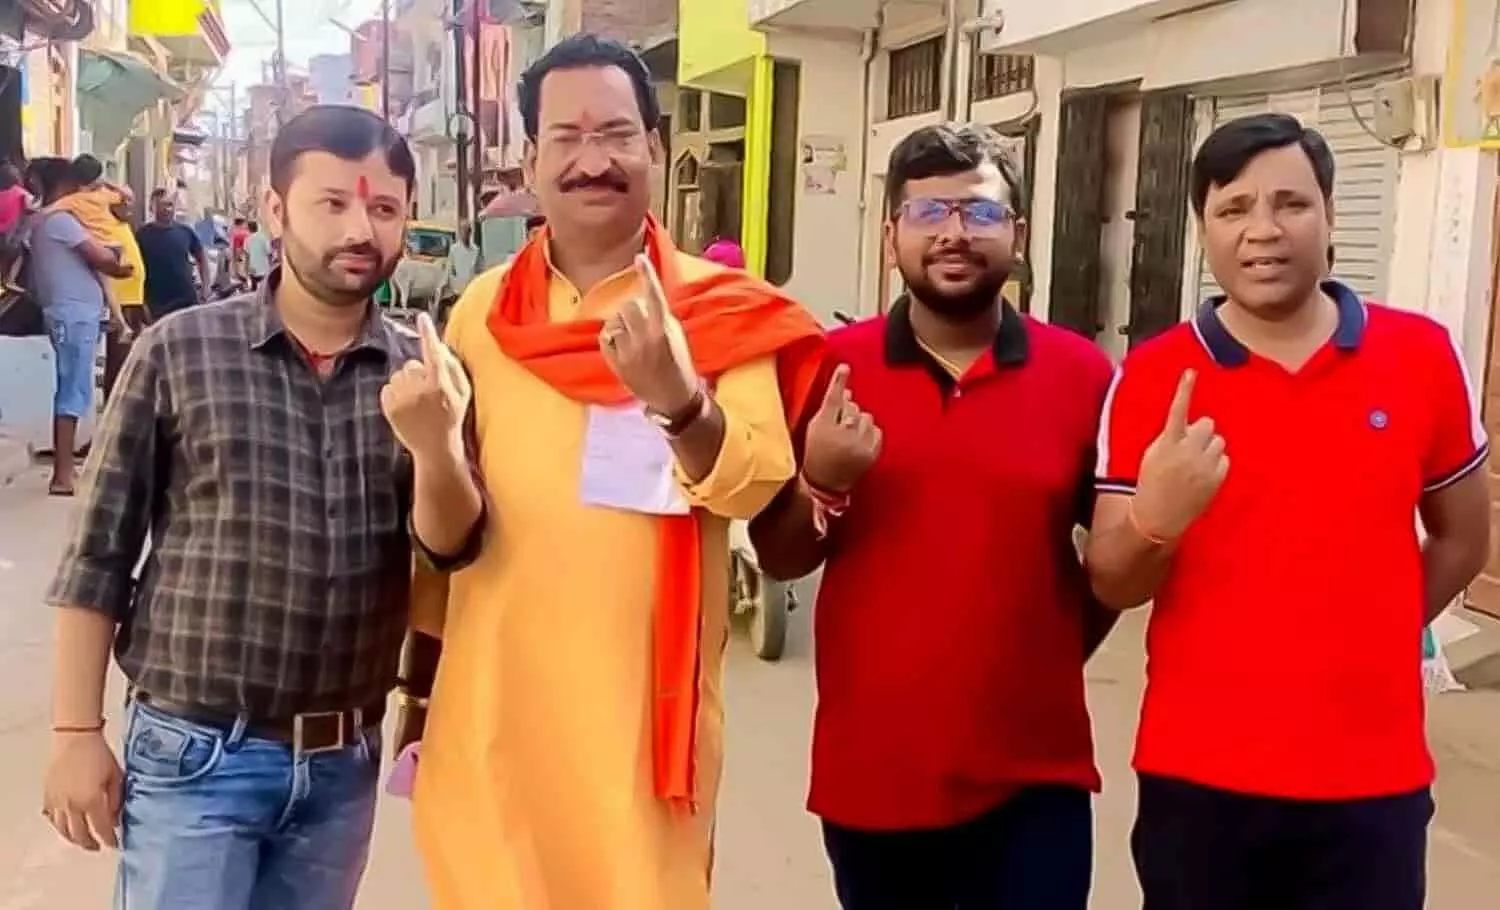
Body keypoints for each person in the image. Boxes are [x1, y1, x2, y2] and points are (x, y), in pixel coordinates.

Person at [402, 33, 827, 909]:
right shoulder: (483, 311)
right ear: (531, 159)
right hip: (493, 712)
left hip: (641, 727)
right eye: (566, 137)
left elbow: (756, 485)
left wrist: (680, 400)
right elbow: (447, 527)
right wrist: (416, 687)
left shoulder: (715, 313)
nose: (591, 160)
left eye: (616, 134)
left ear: (655, 148)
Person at [40, 105, 481, 910]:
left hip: (341, 765)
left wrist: (437, 445)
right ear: (275, 210)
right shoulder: (179, 351)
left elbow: (448, 551)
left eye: (384, 208)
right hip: (196, 753)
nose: (360, 230)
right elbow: (98, 554)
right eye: (332, 203)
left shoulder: (425, 373)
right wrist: (75, 733)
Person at [1086, 113, 1492, 910]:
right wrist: (1154, 521)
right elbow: (1110, 581)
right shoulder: (1155, 377)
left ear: (1330, 215)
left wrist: (1373, 634)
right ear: (1204, 229)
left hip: (1371, 781)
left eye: (1291, 204)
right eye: (1234, 208)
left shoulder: (1420, 356)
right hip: (1199, 781)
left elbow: (1464, 538)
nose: (1263, 230)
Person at [749, 123, 1115, 909]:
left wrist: (1041, 651)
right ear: (891, 238)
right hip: (875, 777)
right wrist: (822, 483)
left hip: (1035, 777)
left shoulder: (1082, 375)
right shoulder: (829, 369)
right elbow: (779, 556)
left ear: (1018, 235)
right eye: (927, 212)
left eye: (981, 213)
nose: (955, 233)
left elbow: (1115, 563)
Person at [24, 156, 133, 495]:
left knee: (73, 388)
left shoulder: (46, 221)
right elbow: (101, 258)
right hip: (74, 314)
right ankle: (62, 475)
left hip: (71, 313)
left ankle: (66, 468)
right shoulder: (61, 221)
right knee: (72, 390)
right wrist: (118, 262)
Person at [100, 190, 148, 401]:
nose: (128, 206)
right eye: (123, 201)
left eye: (130, 201)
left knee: (130, 359)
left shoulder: (124, 226)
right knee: (119, 360)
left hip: (134, 300)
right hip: (120, 304)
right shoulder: (105, 226)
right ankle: (114, 402)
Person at [134, 187, 209, 319]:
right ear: (152, 207)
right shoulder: (142, 235)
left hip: (186, 300)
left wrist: (205, 287)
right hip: (157, 304)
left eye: (170, 205)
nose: (167, 209)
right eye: (162, 205)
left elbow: (201, 257)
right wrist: (142, 303)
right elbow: (136, 270)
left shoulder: (185, 231)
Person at [445, 218, 480, 299]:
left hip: (471, 290)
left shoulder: (476, 250)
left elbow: (479, 269)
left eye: (467, 231)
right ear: (460, 232)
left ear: (470, 232)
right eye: (463, 230)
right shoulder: (454, 249)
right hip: (457, 291)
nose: (465, 233)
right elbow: (449, 269)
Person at [246, 218, 273, 288]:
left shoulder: (247, 239)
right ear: (257, 227)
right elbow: (269, 252)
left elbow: (247, 255)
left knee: (254, 288)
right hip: (264, 267)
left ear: (249, 229)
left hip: (253, 268)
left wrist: (247, 268)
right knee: (265, 287)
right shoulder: (264, 237)